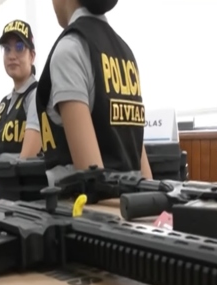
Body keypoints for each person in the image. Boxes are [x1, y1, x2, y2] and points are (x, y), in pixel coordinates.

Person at [36, 0, 152, 183]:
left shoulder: (70, 50)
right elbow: (144, 173)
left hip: (83, 201)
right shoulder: (125, 53)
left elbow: (93, 182)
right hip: (135, 199)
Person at [0, 19, 42, 198]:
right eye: (7, 49)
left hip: (24, 200)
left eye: (19, 47)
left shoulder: (37, 96)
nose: (12, 55)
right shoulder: (4, 103)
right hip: (0, 199)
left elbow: (27, 158)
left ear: (32, 56)